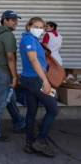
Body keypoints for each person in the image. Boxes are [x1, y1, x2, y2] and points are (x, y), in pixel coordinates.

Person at [20, 17, 58, 157]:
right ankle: (40, 140)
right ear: (29, 26)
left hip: (29, 80)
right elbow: (33, 60)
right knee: (53, 109)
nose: (39, 29)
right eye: (36, 26)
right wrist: (45, 81)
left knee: (32, 112)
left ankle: (29, 144)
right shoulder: (28, 39)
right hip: (35, 80)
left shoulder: (34, 40)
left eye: (42, 27)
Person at [0, 10, 26, 142]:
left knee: (11, 99)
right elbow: (10, 58)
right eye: (12, 19)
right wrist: (15, 77)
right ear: (5, 20)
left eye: (16, 20)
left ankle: (19, 123)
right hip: (3, 72)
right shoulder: (8, 35)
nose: (16, 22)